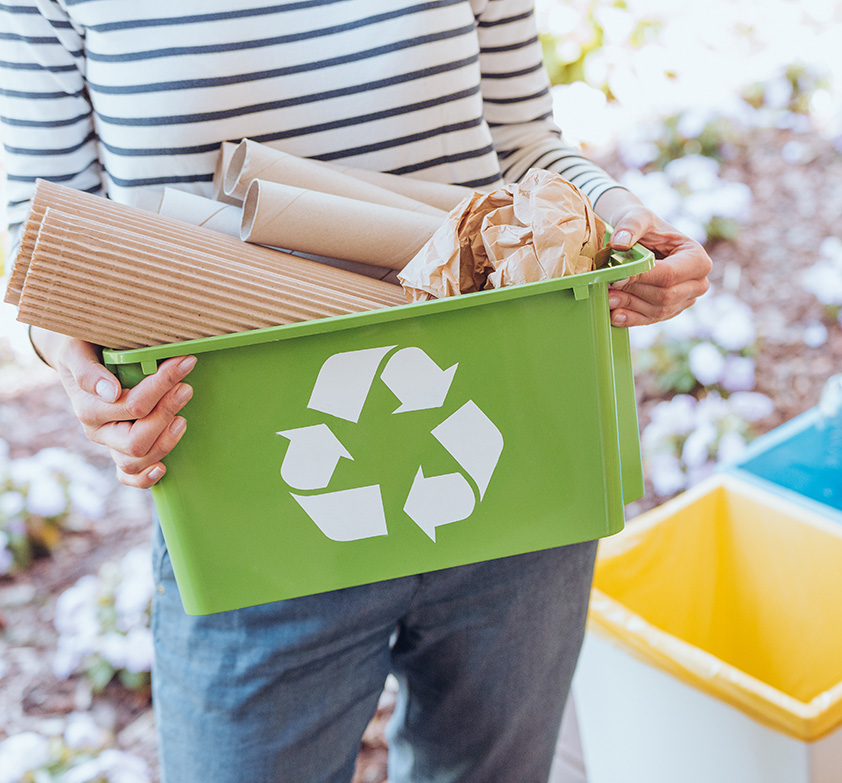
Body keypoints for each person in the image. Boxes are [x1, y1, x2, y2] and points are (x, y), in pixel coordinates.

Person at [1, 2, 711, 781]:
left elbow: (522, 142)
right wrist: (79, 368)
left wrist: (625, 222)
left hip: (507, 445)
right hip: (243, 488)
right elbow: (38, 229)